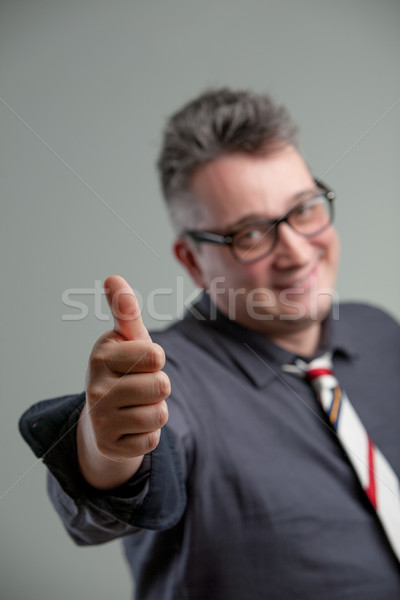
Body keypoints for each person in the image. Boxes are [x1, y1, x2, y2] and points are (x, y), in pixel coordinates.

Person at [19, 88, 400, 599]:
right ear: (193, 261)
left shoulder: (379, 332)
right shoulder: (168, 378)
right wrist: (105, 445)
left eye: (305, 208)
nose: (296, 252)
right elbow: (122, 480)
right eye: (250, 234)